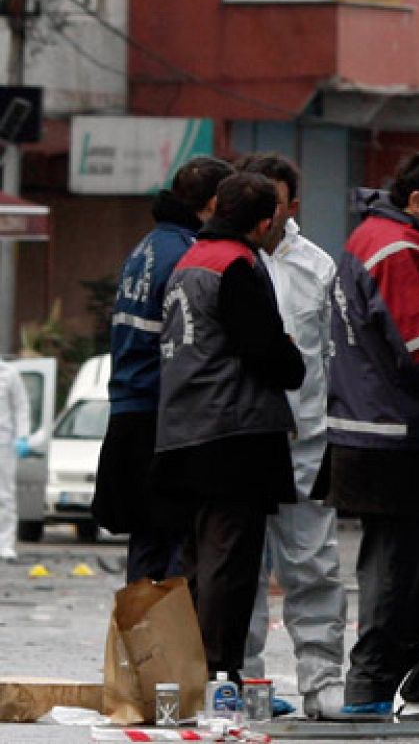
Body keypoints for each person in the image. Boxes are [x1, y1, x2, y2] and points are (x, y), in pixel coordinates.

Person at [317, 152, 419, 715]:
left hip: (377, 426)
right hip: (393, 431)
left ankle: (395, 678)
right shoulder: (399, 249)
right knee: (396, 566)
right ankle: (377, 682)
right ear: (417, 201)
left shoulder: (371, 237)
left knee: (403, 561)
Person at [152, 172, 305, 679]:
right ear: (264, 222)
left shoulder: (189, 260)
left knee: (200, 560)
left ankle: (190, 671)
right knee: (230, 563)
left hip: (185, 429)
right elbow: (271, 354)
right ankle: (217, 674)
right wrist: (289, 354)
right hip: (232, 433)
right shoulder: (236, 265)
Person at [234, 154, 347, 719]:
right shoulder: (226, 263)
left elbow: (336, 359)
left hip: (306, 443)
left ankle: (323, 680)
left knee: (315, 568)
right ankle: (245, 683)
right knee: (243, 570)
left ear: (292, 207)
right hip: (245, 442)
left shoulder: (319, 268)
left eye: (272, 201)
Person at [94, 156, 235, 583]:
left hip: (129, 410)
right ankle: (170, 646)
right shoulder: (191, 255)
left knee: (147, 544)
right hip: (167, 416)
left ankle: (142, 648)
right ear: (212, 204)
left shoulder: (145, 248)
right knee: (179, 544)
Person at [0, 359, 32, 563]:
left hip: (3, 443)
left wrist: (22, 436)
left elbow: (21, 407)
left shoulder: (8, 373)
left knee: (4, 495)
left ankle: (5, 544)